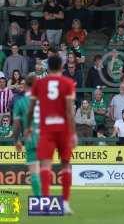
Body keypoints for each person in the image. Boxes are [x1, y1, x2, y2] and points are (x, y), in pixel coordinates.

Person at [26, 55, 76, 214]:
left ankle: (46, 203)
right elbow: (69, 111)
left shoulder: (39, 84)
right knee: (66, 165)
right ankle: (65, 203)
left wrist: (28, 127)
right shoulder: (68, 83)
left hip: (46, 129)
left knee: (46, 165)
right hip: (63, 129)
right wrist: (73, 133)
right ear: (62, 67)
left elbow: (31, 107)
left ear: (48, 68)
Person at [12, 75, 40, 195]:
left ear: (26, 86)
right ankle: (47, 199)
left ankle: (39, 200)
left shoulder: (20, 102)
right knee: (44, 169)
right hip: (46, 139)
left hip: (31, 139)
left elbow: (17, 125)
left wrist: (16, 140)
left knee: (34, 171)